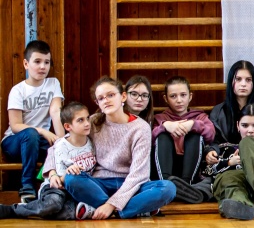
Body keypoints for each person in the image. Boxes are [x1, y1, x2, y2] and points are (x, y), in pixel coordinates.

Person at [65, 76, 176, 220]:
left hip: (132, 185)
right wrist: (52, 172)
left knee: (168, 188)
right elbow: (63, 143)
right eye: (101, 98)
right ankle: (132, 209)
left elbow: (139, 175)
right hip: (99, 184)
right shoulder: (93, 122)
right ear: (97, 103)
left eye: (111, 95)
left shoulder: (140, 127)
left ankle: (110, 210)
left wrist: (111, 205)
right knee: (71, 178)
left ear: (123, 97)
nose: (106, 100)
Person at [0, 101, 94, 221]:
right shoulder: (61, 146)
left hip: (79, 190)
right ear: (67, 127)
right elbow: (59, 180)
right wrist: (64, 174)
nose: (87, 123)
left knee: (70, 208)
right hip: (56, 187)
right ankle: (13, 210)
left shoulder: (92, 143)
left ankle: (74, 210)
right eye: (80, 120)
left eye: (88, 118)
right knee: (53, 204)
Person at [2, 38, 63, 203]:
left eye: (47, 62)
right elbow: (15, 126)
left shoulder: (53, 84)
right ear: (26, 64)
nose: (43, 66)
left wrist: (62, 142)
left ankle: (47, 187)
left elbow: (55, 111)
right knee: (31, 134)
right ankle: (27, 187)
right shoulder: (18, 90)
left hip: (39, 142)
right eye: (37, 61)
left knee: (59, 148)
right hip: (14, 142)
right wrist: (42, 130)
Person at [153, 76, 216, 196]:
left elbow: (211, 134)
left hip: (190, 168)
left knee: (195, 136)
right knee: (162, 136)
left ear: (190, 96)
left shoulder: (200, 116)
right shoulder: (160, 118)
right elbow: (148, 139)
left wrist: (193, 124)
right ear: (166, 98)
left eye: (183, 95)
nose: (179, 100)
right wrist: (165, 126)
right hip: (168, 165)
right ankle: (165, 185)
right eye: (173, 96)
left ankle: (186, 187)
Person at [211, 62, 254, 146]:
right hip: (228, 154)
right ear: (231, 81)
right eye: (238, 79)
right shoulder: (218, 111)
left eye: (248, 80)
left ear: (253, 83)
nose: (243, 84)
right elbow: (213, 142)